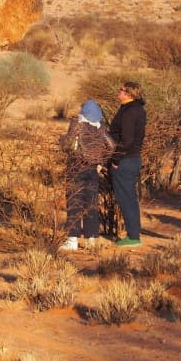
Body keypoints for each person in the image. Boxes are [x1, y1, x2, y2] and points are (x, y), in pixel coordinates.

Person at [59, 99, 115, 250]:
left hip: (75, 167)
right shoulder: (101, 128)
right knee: (91, 204)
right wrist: (101, 163)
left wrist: (61, 141)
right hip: (92, 169)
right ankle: (91, 240)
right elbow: (111, 146)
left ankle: (72, 241)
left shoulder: (78, 124)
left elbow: (67, 144)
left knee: (74, 202)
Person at [109, 81, 147, 247]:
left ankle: (133, 237)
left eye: (122, 90)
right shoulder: (134, 109)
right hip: (131, 158)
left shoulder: (131, 111)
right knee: (129, 198)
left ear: (129, 93)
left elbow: (127, 140)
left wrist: (116, 159)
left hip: (125, 160)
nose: (119, 92)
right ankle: (133, 234)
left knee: (125, 198)